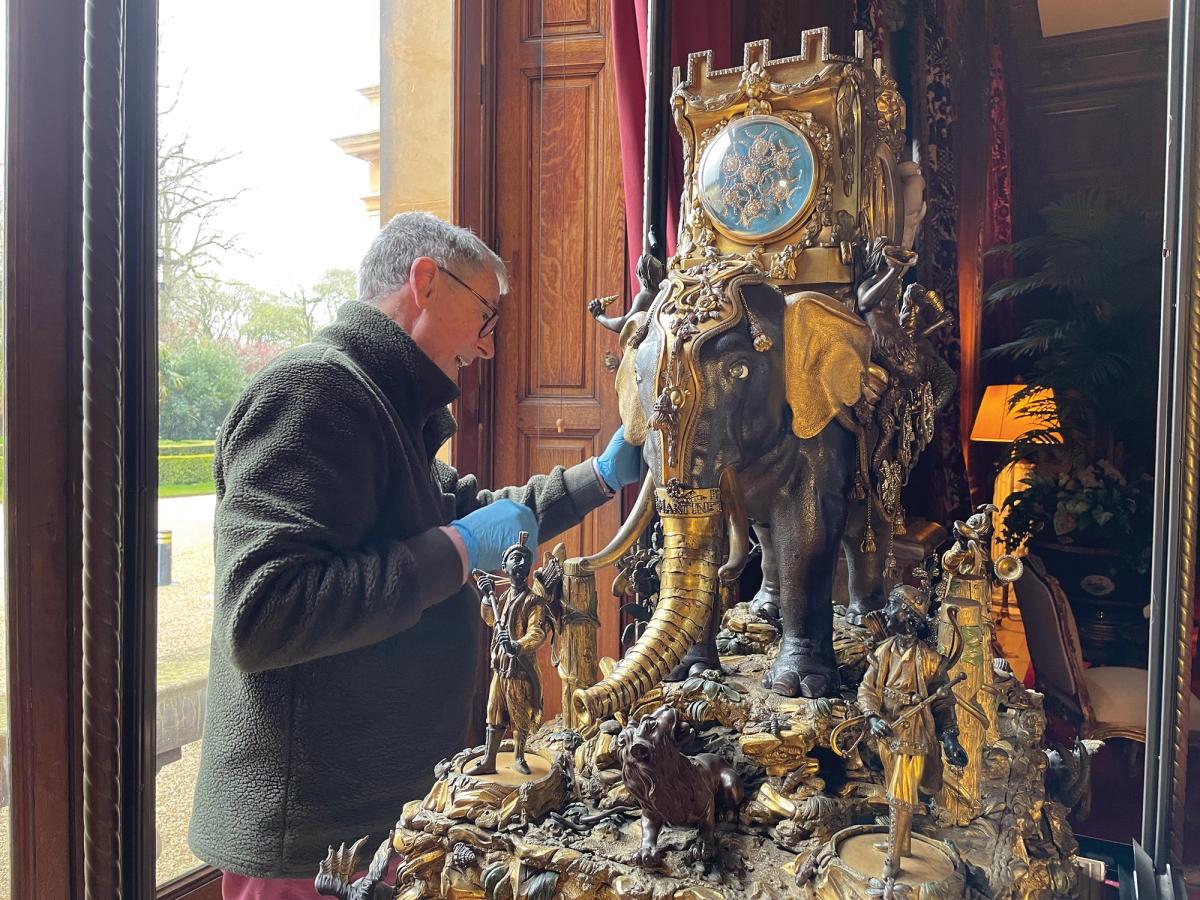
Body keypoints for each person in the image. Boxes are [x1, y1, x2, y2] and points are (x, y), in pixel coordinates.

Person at [188, 211, 642, 897]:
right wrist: (455, 552)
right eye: (486, 315)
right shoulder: (314, 390)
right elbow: (264, 614)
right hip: (312, 843)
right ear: (425, 281)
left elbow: (483, 512)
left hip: (366, 821)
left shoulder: (378, 403)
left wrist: (603, 477)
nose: (487, 348)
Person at [857, 582, 967, 878]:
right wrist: (872, 716)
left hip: (916, 733)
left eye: (892, 606)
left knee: (900, 793)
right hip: (888, 731)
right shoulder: (883, 652)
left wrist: (951, 738)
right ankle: (903, 844)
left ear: (907, 617)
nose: (885, 612)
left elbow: (944, 704)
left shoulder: (931, 661)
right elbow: (867, 688)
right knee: (893, 785)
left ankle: (893, 860)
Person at [466, 534, 554, 777]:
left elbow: (537, 632)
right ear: (504, 567)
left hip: (519, 671)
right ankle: (489, 760)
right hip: (500, 670)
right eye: (515, 558)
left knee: (520, 713)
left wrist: (517, 645)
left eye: (525, 559)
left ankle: (519, 757)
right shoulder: (502, 598)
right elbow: (491, 619)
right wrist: (486, 596)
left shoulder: (533, 602)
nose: (521, 563)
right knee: (493, 713)